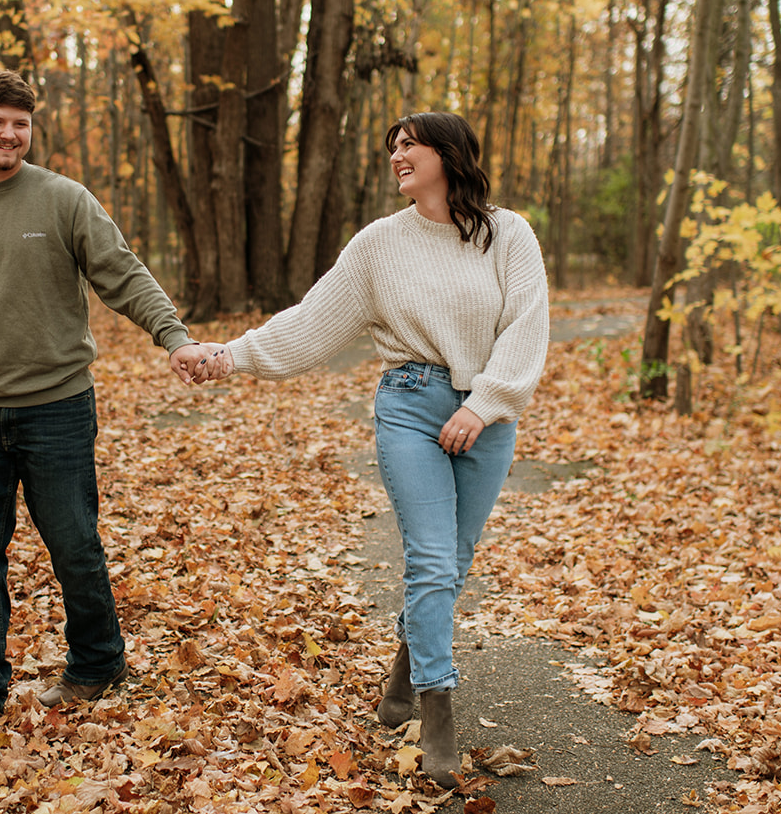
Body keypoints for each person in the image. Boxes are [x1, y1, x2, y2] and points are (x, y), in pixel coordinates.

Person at [192, 112, 549, 786]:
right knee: (433, 557)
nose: (397, 155)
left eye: (411, 143)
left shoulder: (509, 233)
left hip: (487, 418)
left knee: (455, 559)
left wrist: (484, 402)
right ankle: (437, 713)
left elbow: (527, 324)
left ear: (449, 152)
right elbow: (312, 320)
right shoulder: (379, 243)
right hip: (410, 406)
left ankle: (402, 676)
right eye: (392, 146)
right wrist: (230, 355)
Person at [0, 67, 208, 737]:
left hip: (58, 407)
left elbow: (122, 272)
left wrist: (173, 336)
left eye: (20, 121)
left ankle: (98, 661)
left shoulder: (64, 200)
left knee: (73, 542)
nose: (8, 132)